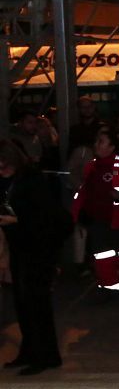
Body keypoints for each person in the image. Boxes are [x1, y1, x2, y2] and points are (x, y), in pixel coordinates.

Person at [0, 139, 65, 375]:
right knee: (23, 304)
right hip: (20, 248)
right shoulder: (12, 180)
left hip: (38, 250)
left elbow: (44, 218)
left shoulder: (32, 180)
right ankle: (29, 351)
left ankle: (45, 355)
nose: (1, 172)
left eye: (4, 166)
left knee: (37, 305)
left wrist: (16, 220)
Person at [72, 129, 119, 295]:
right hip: (97, 220)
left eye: (101, 141)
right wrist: (79, 213)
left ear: (112, 147)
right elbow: (85, 192)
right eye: (96, 141)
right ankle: (108, 288)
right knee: (102, 257)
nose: (96, 145)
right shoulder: (91, 166)